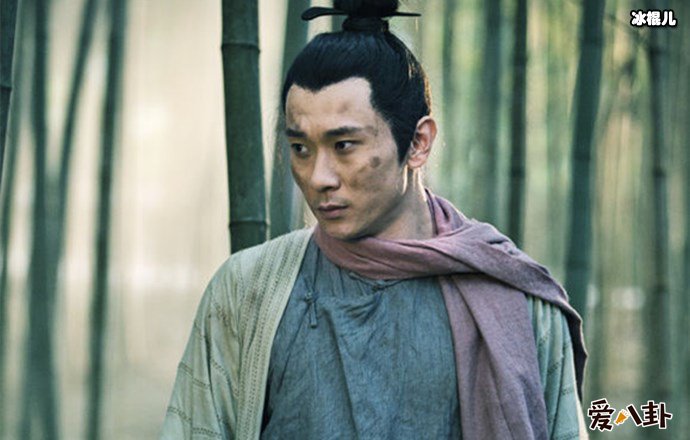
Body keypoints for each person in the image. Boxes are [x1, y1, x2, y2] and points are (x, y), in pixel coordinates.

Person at [161, 1, 588, 438]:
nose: (318, 177)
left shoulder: (516, 301)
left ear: (418, 143)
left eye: (344, 145)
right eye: (301, 148)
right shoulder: (247, 291)